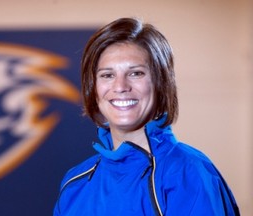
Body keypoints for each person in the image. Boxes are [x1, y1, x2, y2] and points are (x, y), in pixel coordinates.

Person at [53, 17, 240, 216]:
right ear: (94, 88)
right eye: (107, 75)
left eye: (136, 73)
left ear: (160, 83)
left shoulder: (187, 172)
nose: (120, 87)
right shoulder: (75, 183)